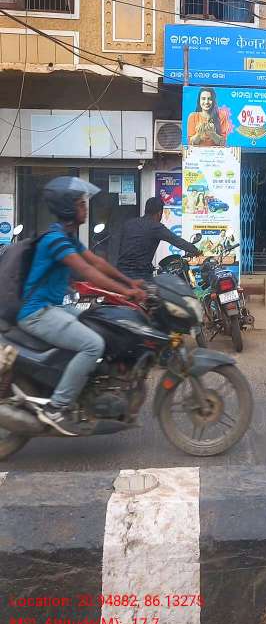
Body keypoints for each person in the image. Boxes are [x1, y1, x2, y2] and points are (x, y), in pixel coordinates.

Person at [17, 176, 145, 438]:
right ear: (66, 208)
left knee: (101, 320)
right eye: (80, 204)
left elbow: (97, 263)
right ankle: (57, 406)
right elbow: (87, 271)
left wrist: (129, 282)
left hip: (54, 308)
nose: (85, 208)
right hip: (37, 313)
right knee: (93, 344)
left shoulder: (68, 237)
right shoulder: (55, 240)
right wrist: (125, 292)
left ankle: (90, 384)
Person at [113, 196, 200, 282]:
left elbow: (120, 246)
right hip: (140, 275)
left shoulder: (129, 224)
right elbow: (177, 241)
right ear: (159, 213)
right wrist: (196, 250)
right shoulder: (156, 227)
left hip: (120, 273)